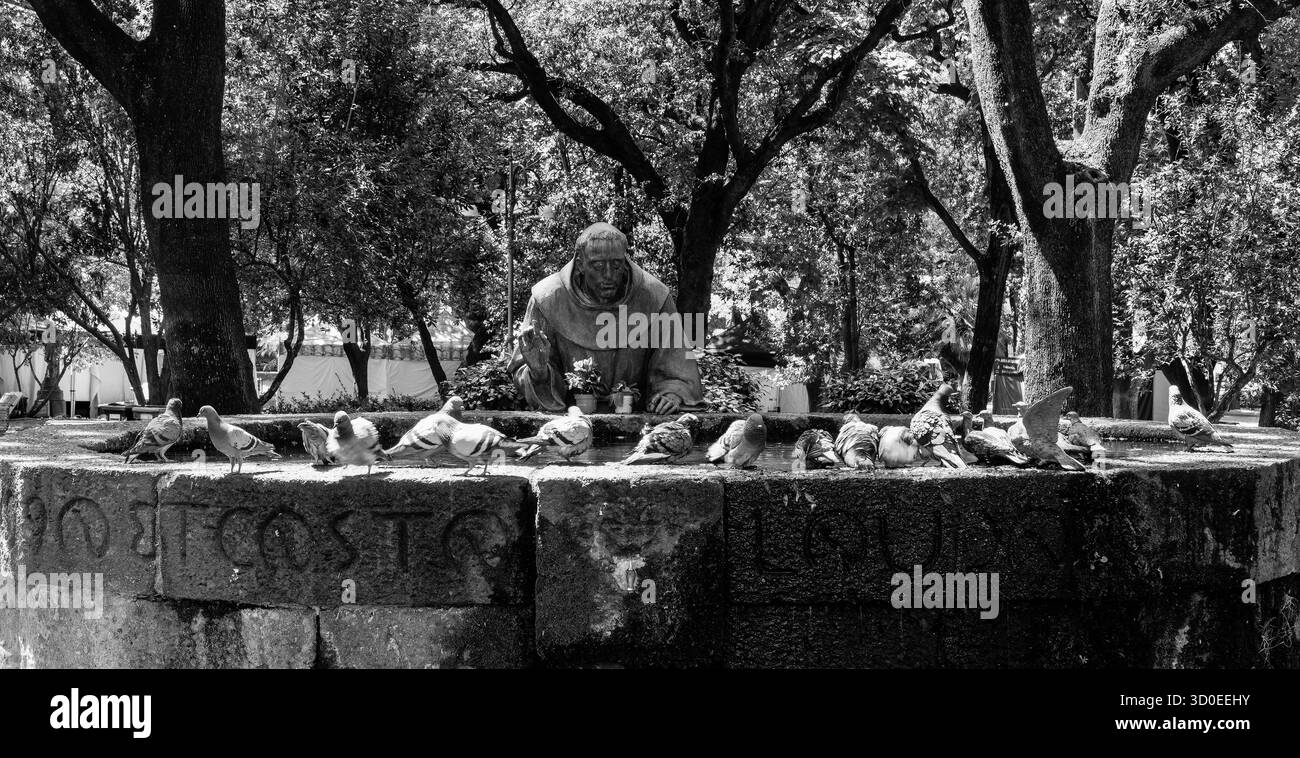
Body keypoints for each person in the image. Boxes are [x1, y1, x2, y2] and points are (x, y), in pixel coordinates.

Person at [509, 222, 704, 414]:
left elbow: (677, 364)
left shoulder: (654, 296)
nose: (609, 275)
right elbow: (524, 368)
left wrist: (671, 394)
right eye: (598, 265)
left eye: (617, 265)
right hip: (571, 421)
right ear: (580, 265)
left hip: (636, 418)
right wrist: (539, 373)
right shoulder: (547, 299)